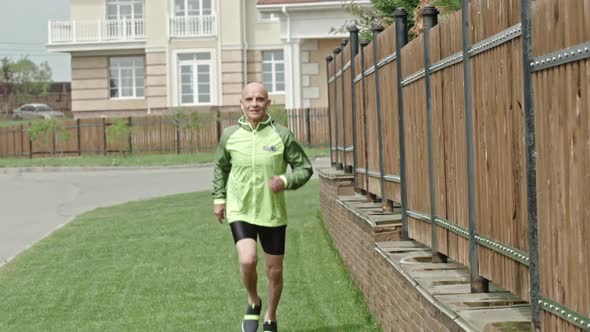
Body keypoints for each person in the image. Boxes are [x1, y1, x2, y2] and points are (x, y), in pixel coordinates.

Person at [212, 82, 313, 332]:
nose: (254, 104)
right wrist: (219, 198)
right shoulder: (229, 135)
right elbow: (221, 167)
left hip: (272, 212)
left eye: (259, 99)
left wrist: (285, 180)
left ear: (268, 103)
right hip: (241, 208)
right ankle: (253, 300)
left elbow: (305, 168)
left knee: (274, 271)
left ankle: (270, 314)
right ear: (242, 104)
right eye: (249, 99)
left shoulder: (282, 135)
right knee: (247, 259)